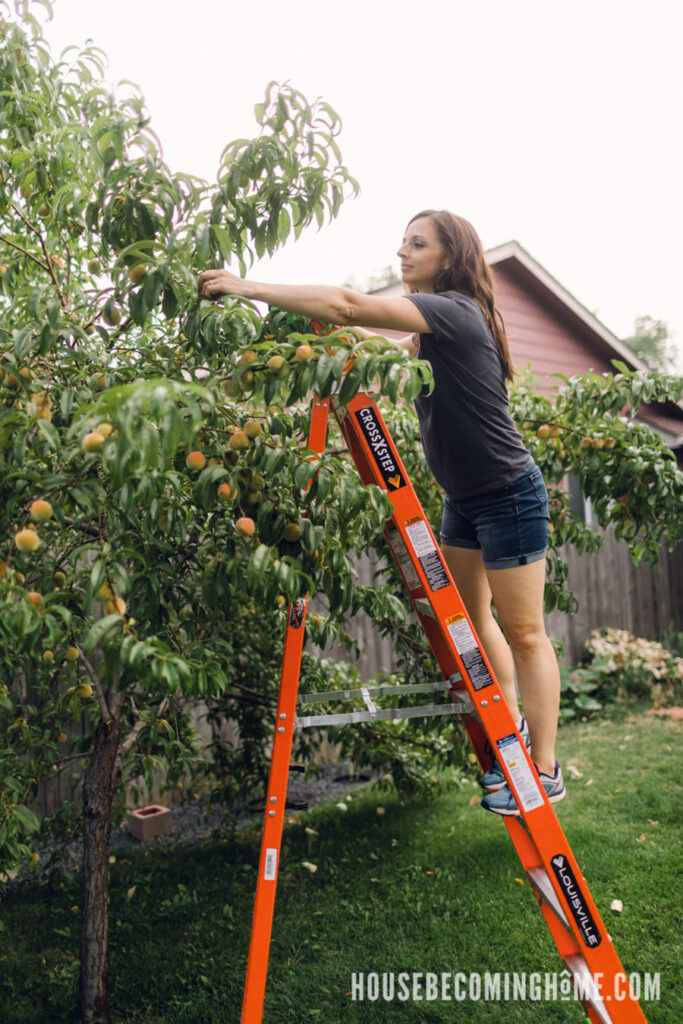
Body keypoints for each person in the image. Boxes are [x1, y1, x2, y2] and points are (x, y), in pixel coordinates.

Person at [197, 209, 564, 816]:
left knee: (525, 632)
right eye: (402, 243)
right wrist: (321, 335)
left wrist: (248, 286)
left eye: (417, 244)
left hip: (509, 493)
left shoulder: (456, 311)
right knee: (474, 624)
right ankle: (512, 735)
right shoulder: (429, 331)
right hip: (464, 500)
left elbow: (346, 306)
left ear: (450, 258)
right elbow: (374, 343)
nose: (403, 253)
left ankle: (544, 769)